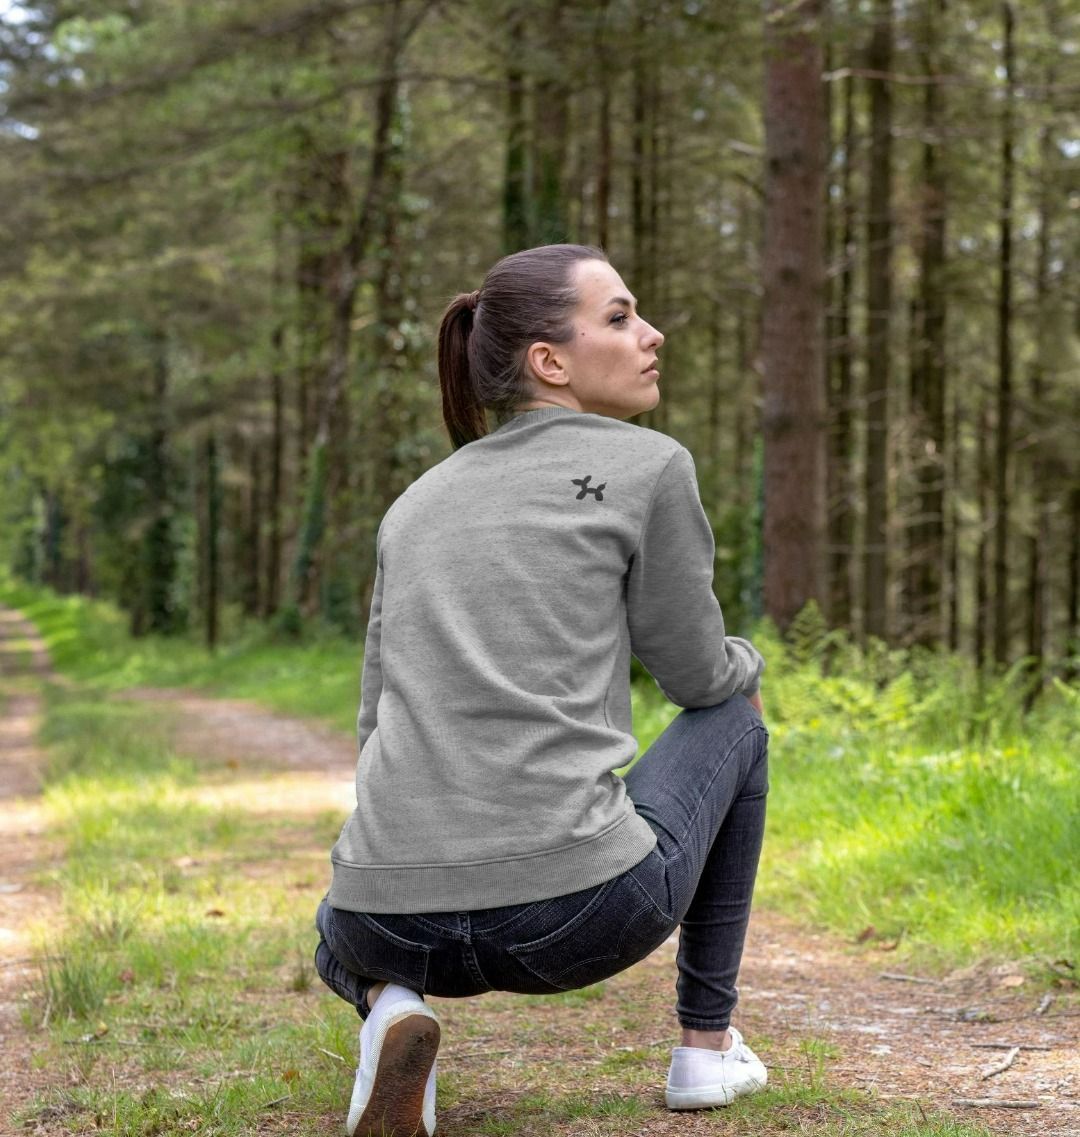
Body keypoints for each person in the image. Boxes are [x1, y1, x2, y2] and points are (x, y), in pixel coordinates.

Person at [314, 243, 770, 1137]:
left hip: (384, 920)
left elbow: (375, 720)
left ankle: (389, 1004)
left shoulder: (412, 503)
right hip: (574, 919)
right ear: (548, 361)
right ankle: (705, 1049)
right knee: (734, 717)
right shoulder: (648, 466)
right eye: (620, 317)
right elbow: (695, 672)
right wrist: (747, 663)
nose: (651, 334)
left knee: (337, 923)